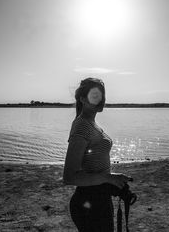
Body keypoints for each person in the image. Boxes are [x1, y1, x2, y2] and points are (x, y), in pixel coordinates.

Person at [63, 77, 132, 232]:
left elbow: (93, 167)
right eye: (94, 96)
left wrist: (113, 179)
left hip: (100, 198)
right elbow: (69, 176)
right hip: (89, 201)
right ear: (82, 99)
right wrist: (107, 178)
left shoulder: (92, 124)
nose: (100, 100)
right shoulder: (81, 125)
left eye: (102, 95)